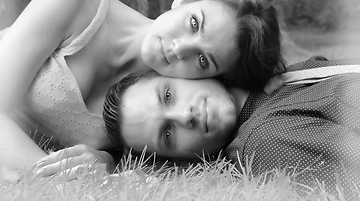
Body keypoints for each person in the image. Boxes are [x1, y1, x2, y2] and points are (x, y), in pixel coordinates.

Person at [0, 0, 284, 172]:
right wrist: (54, 175)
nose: (178, 48)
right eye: (194, 23)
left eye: (202, 59)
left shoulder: (166, 106)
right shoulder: (73, 0)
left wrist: (105, 162)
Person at [38, 56, 360, 198]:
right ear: (181, 158)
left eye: (168, 95)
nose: (183, 117)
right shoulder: (269, 139)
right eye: (168, 134)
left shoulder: (287, 76)